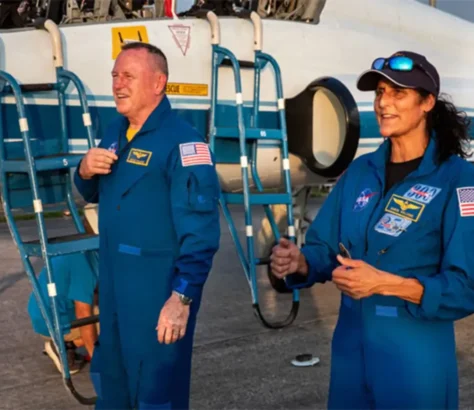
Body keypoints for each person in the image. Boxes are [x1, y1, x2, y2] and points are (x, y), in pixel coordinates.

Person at [270, 50, 474, 409]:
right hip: (351, 350)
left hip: (413, 356)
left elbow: (465, 287)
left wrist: (384, 283)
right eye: (380, 93)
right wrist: (299, 262)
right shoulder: (360, 172)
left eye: (398, 94)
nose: (383, 103)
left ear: (426, 103)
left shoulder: (458, 180)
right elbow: (324, 247)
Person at [74, 41, 221, 410]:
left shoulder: (184, 143)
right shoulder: (114, 131)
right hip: (113, 291)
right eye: (114, 76)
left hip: (156, 297)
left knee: (157, 397)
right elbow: (93, 191)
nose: (117, 84)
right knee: (113, 392)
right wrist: (83, 170)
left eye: (128, 76)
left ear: (158, 83)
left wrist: (181, 298)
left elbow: (201, 234)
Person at [27, 215, 99, 374]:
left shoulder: (82, 249)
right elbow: (83, 313)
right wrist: (99, 364)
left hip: (48, 312)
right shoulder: (82, 261)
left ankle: (70, 344)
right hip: (53, 320)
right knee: (117, 317)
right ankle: (65, 346)